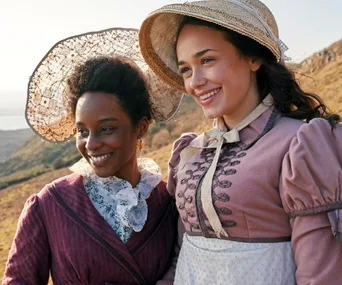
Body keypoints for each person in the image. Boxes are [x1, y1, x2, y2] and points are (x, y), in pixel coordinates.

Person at [138, 1, 342, 284]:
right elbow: (181, 255)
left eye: (207, 60)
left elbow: (321, 274)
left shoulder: (299, 145)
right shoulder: (190, 152)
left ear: (253, 59)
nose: (195, 81)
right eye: (185, 69)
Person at [2, 28, 179, 285]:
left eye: (106, 128)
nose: (91, 144)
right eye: (82, 131)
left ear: (141, 127)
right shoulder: (49, 204)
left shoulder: (169, 202)